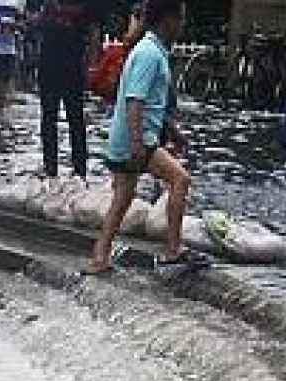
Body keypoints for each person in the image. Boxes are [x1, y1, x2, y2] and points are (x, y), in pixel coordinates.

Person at [86, 0, 198, 275]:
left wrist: (173, 134)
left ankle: (100, 257)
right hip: (138, 140)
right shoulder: (150, 54)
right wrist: (138, 142)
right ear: (167, 20)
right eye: (180, 19)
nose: (182, 26)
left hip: (127, 137)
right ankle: (173, 250)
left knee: (122, 198)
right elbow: (135, 100)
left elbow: (152, 104)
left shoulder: (149, 50)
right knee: (180, 180)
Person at [35, 0, 98, 179]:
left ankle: (80, 171)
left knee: (76, 120)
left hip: (74, 68)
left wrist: (92, 67)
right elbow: (35, 20)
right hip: (48, 65)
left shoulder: (87, 6)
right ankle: (50, 170)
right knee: (48, 119)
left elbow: (94, 32)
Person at [0, 0, 24, 126]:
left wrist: (13, 26)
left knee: (4, 80)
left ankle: (1, 112)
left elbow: (22, 23)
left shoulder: (18, 2)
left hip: (9, 48)